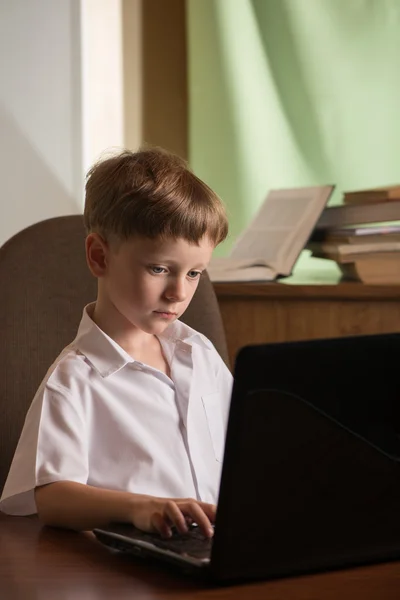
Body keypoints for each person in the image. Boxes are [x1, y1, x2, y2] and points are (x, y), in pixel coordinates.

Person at [0, 147, 232, 539]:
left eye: (194, 273)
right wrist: (142, 508)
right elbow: (52, 498)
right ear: (99, 257)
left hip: (215, 548)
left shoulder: (200, 355)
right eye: (159, 269)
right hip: (133, 563)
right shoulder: (75, 379)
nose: (178, 292)